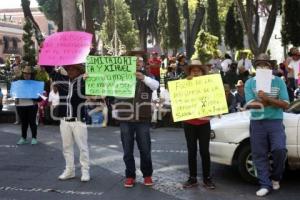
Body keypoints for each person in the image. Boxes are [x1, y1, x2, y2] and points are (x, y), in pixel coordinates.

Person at [245, 53, 289, 197]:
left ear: (271, 67)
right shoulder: (250, 83)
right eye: (259, 64)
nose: (262, 66)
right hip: (257, 122)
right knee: (259, 154)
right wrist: (270, 100)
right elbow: (251, 105)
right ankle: (265, 184)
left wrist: (266, 99)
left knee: (280, 149)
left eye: (265, 64)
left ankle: (276, 177)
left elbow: (286, 104)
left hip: (275, 121)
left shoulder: (278, 81)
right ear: (256, 67)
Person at [113, 56, 159, 188]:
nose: (138, 64)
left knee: (145, 149)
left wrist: (143, 78)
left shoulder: (148, 76)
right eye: (135, 62)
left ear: (143, 64)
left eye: (140, 62)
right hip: (125, 118)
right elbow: (105, 85)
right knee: (127, 150)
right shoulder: (120, 76)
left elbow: (155, 86)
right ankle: (130, 176)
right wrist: (90, 78)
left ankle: (147, 175)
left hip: (142, 118)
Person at [182, 60, 216, 190]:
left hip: (204, 122)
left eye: (198, 70)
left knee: (204, 151)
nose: (196, 72)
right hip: (189, 122)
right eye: (193, 70)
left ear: (202, 72)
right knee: (191, 151)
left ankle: (207, 178)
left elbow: (215, 100)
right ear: (190, 72)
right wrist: (187, 83)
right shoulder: (183, 84)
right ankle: (192, 178)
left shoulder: (209, 85)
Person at [57, 64, 90, 182]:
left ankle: (85, 171)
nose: (70, 71)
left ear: (78, 71)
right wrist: (43, 51)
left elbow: (91, 92)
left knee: (82, 147)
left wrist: (87, 80)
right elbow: (48, 68)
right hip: (64, 120)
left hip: (78, 120)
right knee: (66, 147)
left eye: (73, 69)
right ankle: (69, 170)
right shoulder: (62, 81)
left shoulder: (84, 81)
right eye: (68, 69)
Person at [15, 66, 39, 145]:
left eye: (28, 74)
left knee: (32, 122)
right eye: (25, 73)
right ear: (23, 74)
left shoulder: (35, 83)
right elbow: (15, 93)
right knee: (24, 122)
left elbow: (39, 95)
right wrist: (16, 99)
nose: (27, 75)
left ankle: (34, 138)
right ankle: (23, 138)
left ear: (31, 75)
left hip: (32, 105)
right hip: (21, 105)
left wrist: (35, 98)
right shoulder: (19, 83)